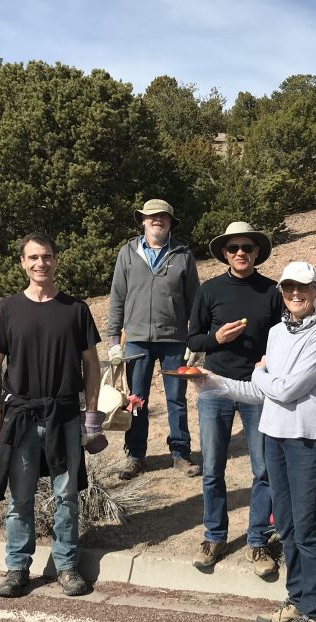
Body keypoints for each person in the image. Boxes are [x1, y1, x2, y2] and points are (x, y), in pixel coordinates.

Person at [197, 261, 316, 622]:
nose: (295, 293)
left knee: (307, 528)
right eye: (289, 287)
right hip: (274, 436)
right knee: (288, 526)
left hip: (306, 440)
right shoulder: (276, 333)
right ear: (282, 292)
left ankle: (315, 615)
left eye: (303, 287)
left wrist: (260, 373)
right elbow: (262, 392)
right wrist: (212, 381)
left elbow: (288, 389)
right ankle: (297, 599)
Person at [0, 232, 103, 599]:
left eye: (46, 256)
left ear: (56, 260)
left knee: (66, 495)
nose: (40, 263)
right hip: (21, 416)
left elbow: (92, 365)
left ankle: (66, 565)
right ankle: (17, 568)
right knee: (20, 498)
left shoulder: (75, 309)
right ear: (22, 262)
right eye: (33, 257)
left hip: (64, 414)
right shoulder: (6, 309)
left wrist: (91, 414)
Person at [186, 222, 283, 576]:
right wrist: (217, 339)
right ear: (225, 254)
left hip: (257, 390)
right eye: (233, 248)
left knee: (263, 470)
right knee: (212, 468)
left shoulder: (272, 291)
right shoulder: (209, 290)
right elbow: (193, 340)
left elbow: (283, 338)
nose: (240, 253)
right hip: (215, 388)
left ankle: (258, 541)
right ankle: (214, 537)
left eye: (247, 247)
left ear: (256, 252)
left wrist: (269, 361)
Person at [106, 198, 201, 480]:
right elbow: (117, 297)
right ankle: (134, 456)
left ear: (170, 222)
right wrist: (114, 341)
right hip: (136, 340)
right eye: (151, 216)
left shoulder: (183, 253)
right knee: (136, 400)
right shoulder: (127, 252)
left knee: (176, 399)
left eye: (163, 216)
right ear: (143, 221)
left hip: (175, 339)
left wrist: (195, 339)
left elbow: (194, 300)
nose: (157, 220)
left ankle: (181, 454)